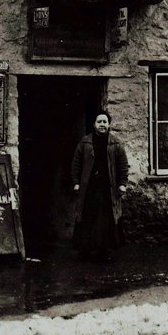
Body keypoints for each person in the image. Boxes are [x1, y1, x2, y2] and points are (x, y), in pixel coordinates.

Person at [71, 111, 130, 262]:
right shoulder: (85, 143)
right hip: (89, 188)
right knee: (87, 218)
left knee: (105, 220)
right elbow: (76, 164)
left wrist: (122, 184)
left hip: (107, 189)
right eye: (99, 122)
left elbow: (123, 166)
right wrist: (76, 182)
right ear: (94, 124)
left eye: (105, 122)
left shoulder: (116, 144)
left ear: (109, 124)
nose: (102, 125)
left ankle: (103, 252)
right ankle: (85, 251)